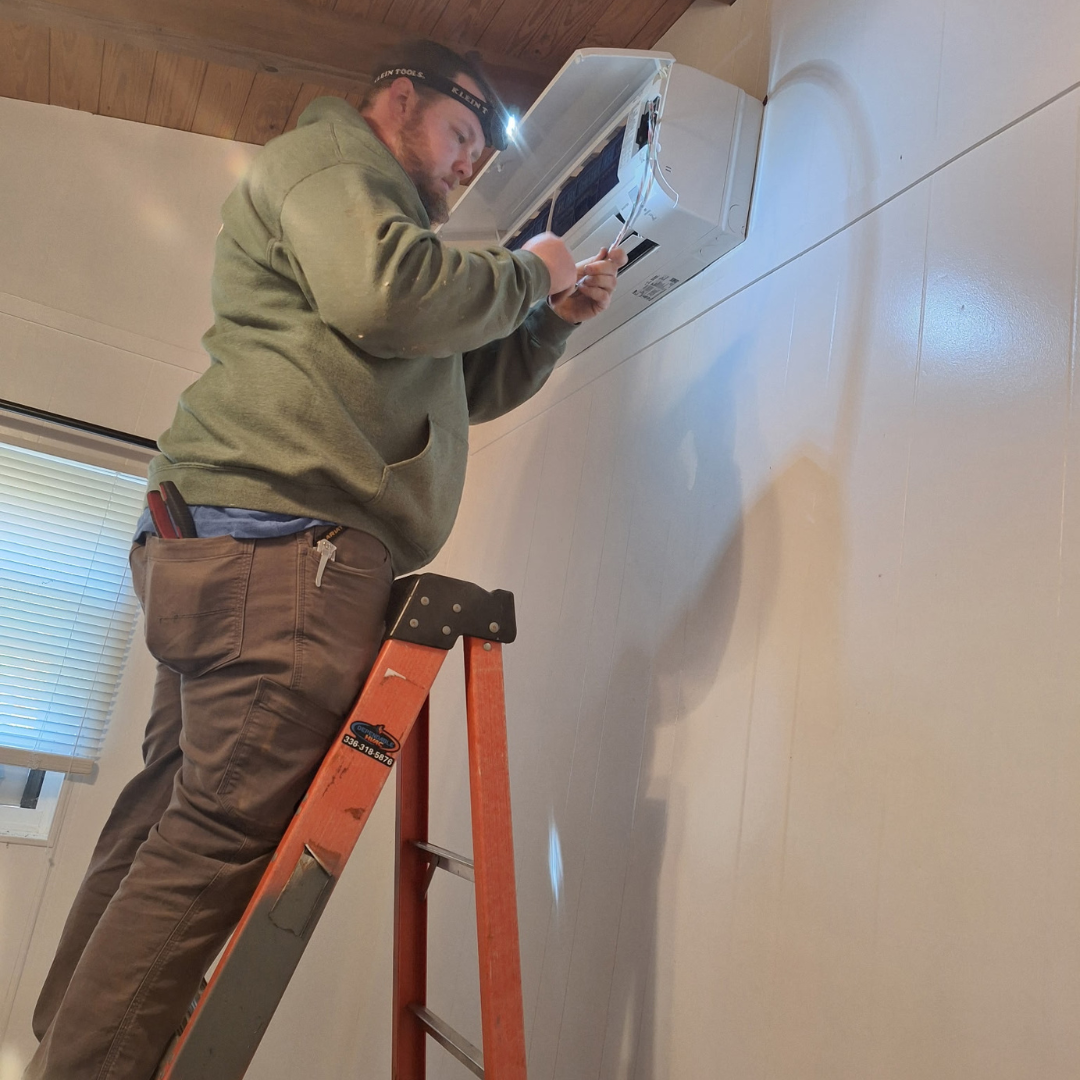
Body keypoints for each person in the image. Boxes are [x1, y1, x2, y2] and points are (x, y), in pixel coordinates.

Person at [24, 37, 627, 1080]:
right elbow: (390, 298)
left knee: (174, 808)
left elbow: (452, 385)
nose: (466, 166)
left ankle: (62, 1043)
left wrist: (546, 321)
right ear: (399, 100)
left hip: (228, 545)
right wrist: (529, 268)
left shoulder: (368, 221)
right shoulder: (336, 164)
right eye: (461, 135)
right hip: (282, 552)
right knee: (216, 833)